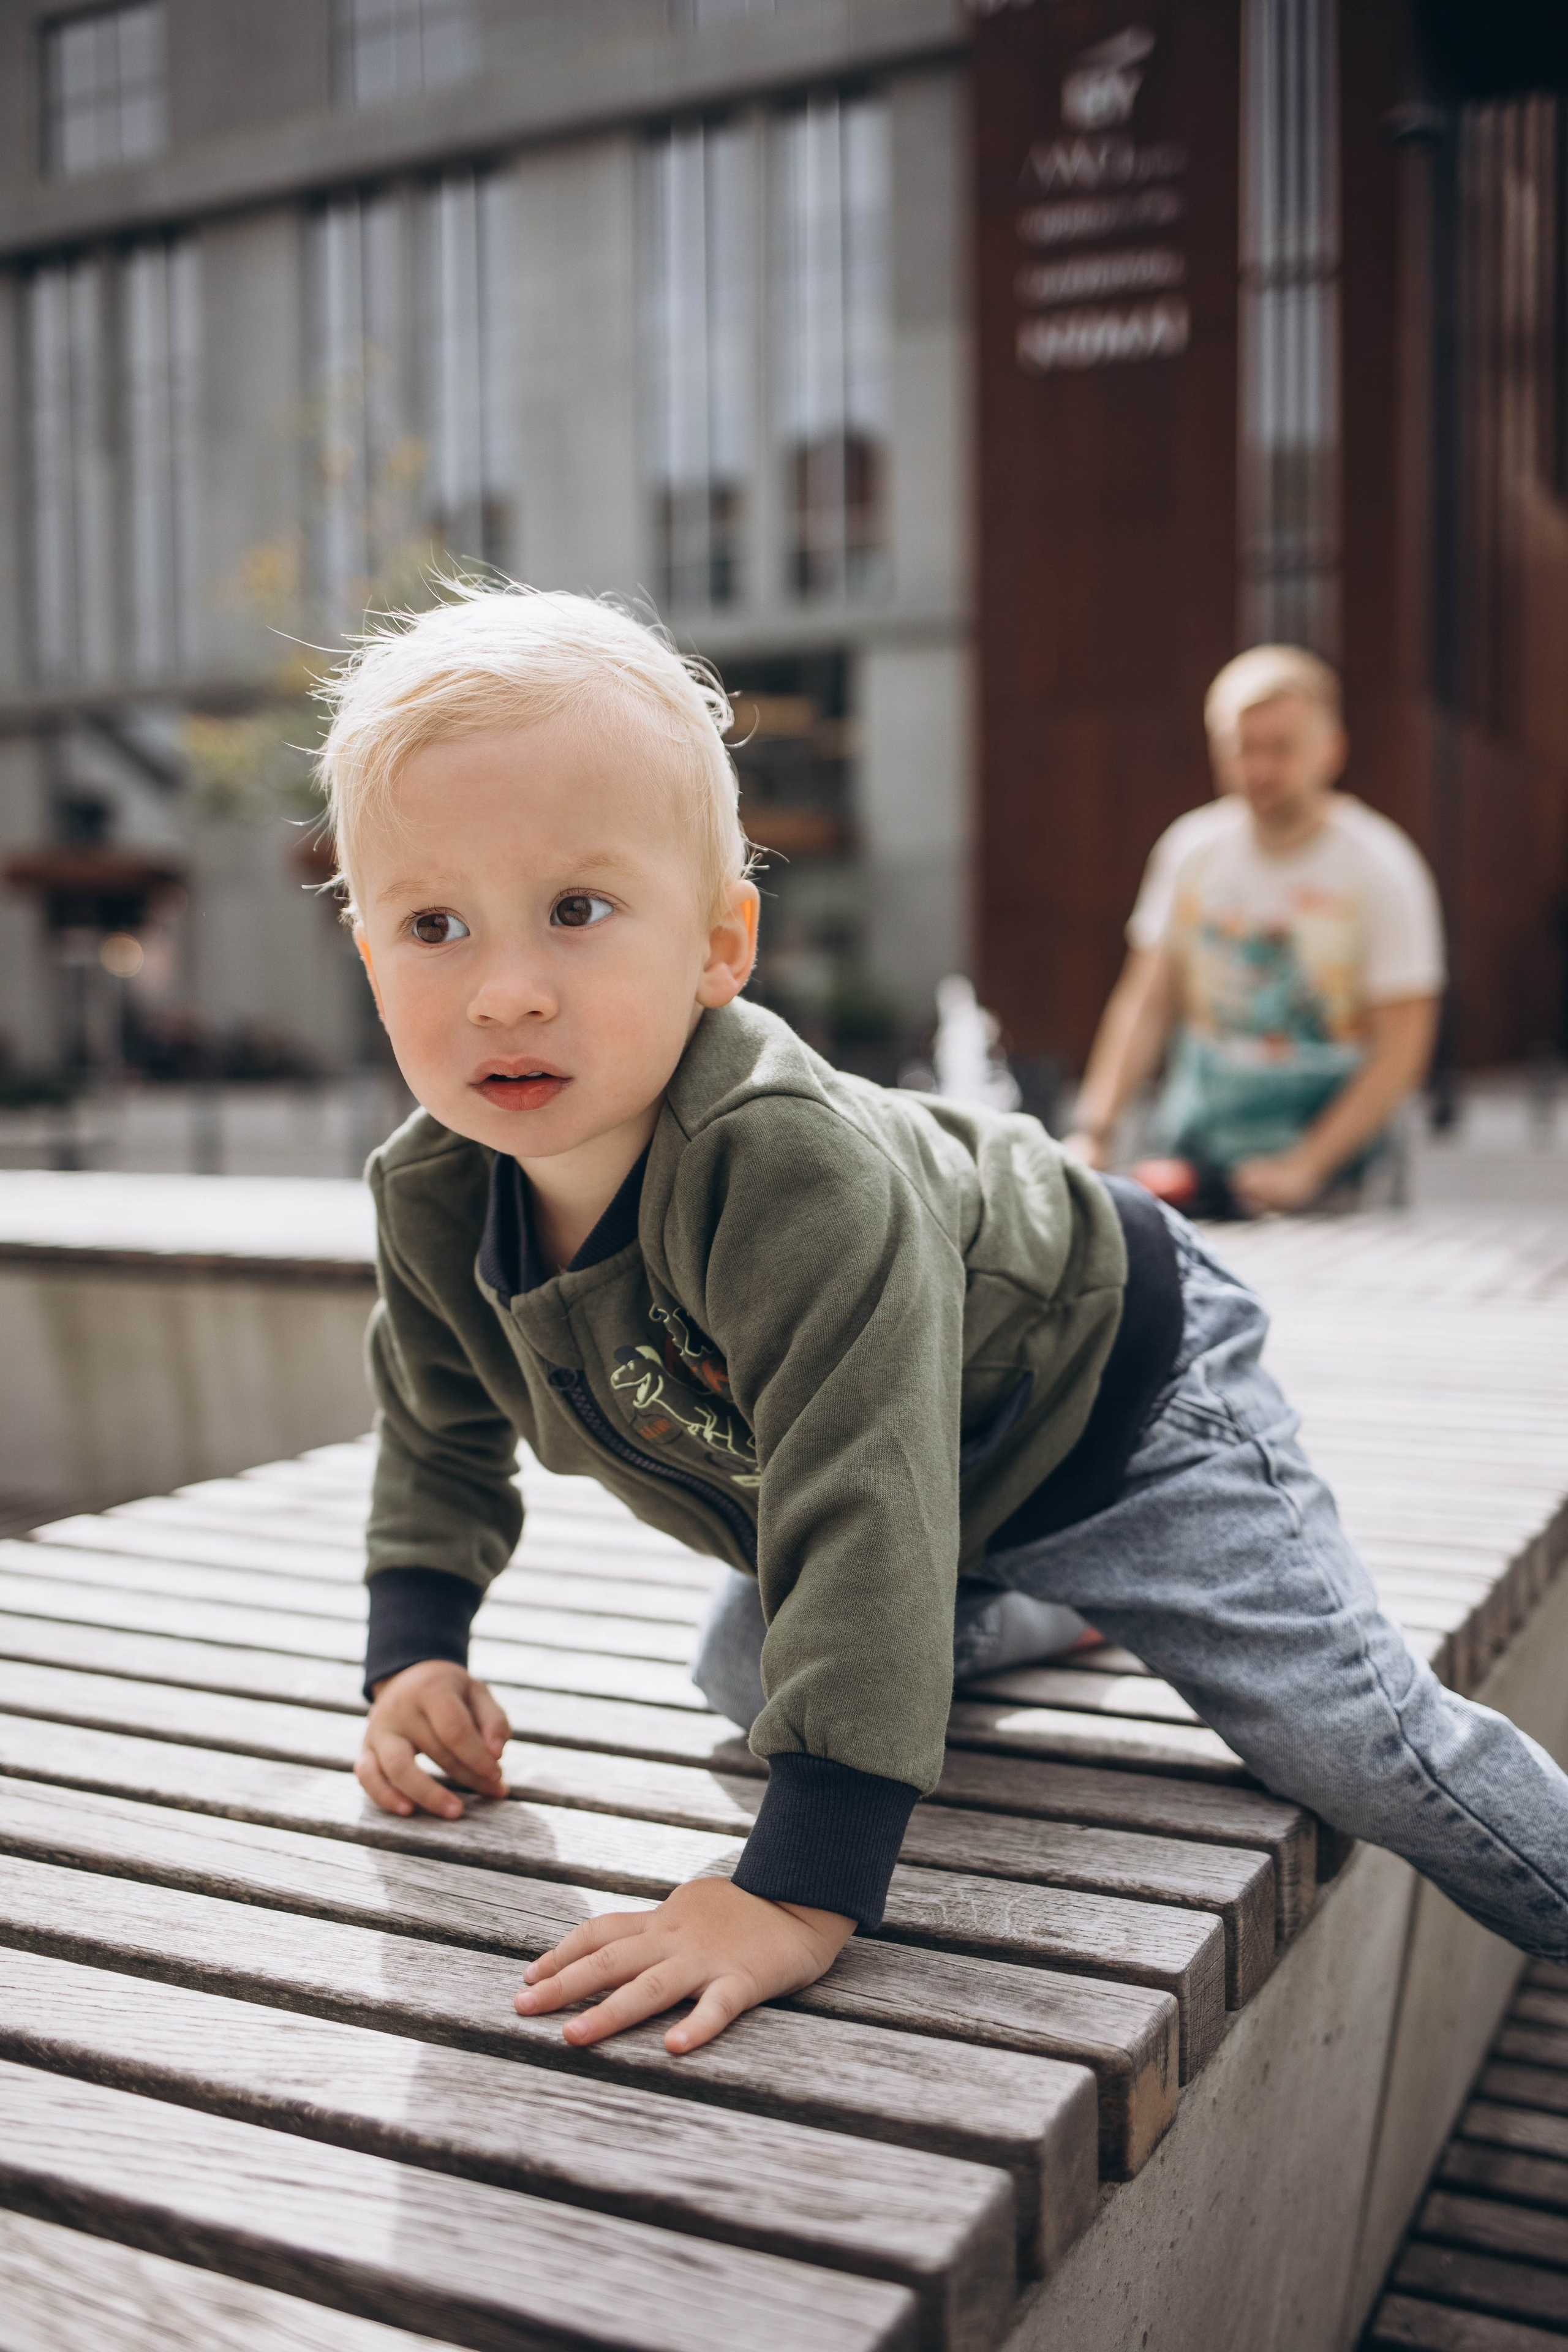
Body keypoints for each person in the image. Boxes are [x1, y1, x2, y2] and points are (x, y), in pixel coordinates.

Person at [334, 587, 1568, 2067]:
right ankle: (1055, 1599)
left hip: (1116, 1397)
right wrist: (415, 1647)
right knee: (745, 1677)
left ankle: (1119, 1586)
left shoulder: (786, 1168)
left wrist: (791, 1890)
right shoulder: (430, 1193)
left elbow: (857, 1503)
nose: (507, 990)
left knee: (1349, 1745)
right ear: (365, 949)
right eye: (432, 923)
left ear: (720, 943)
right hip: (944, 1463)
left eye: (579, 910)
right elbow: (435, 1420)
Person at [1063, 645, 1444, 1215]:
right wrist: (1095, 1130)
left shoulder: (1382, 867)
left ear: (1332, 749)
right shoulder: (1190, 851)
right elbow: (1145, 1003)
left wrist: (1306, 1167)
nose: (1260, 769)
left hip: (1339, 1179)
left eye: (1282, 748)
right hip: (1200, 1153)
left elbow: (1402, 1050)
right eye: (1244, 749)